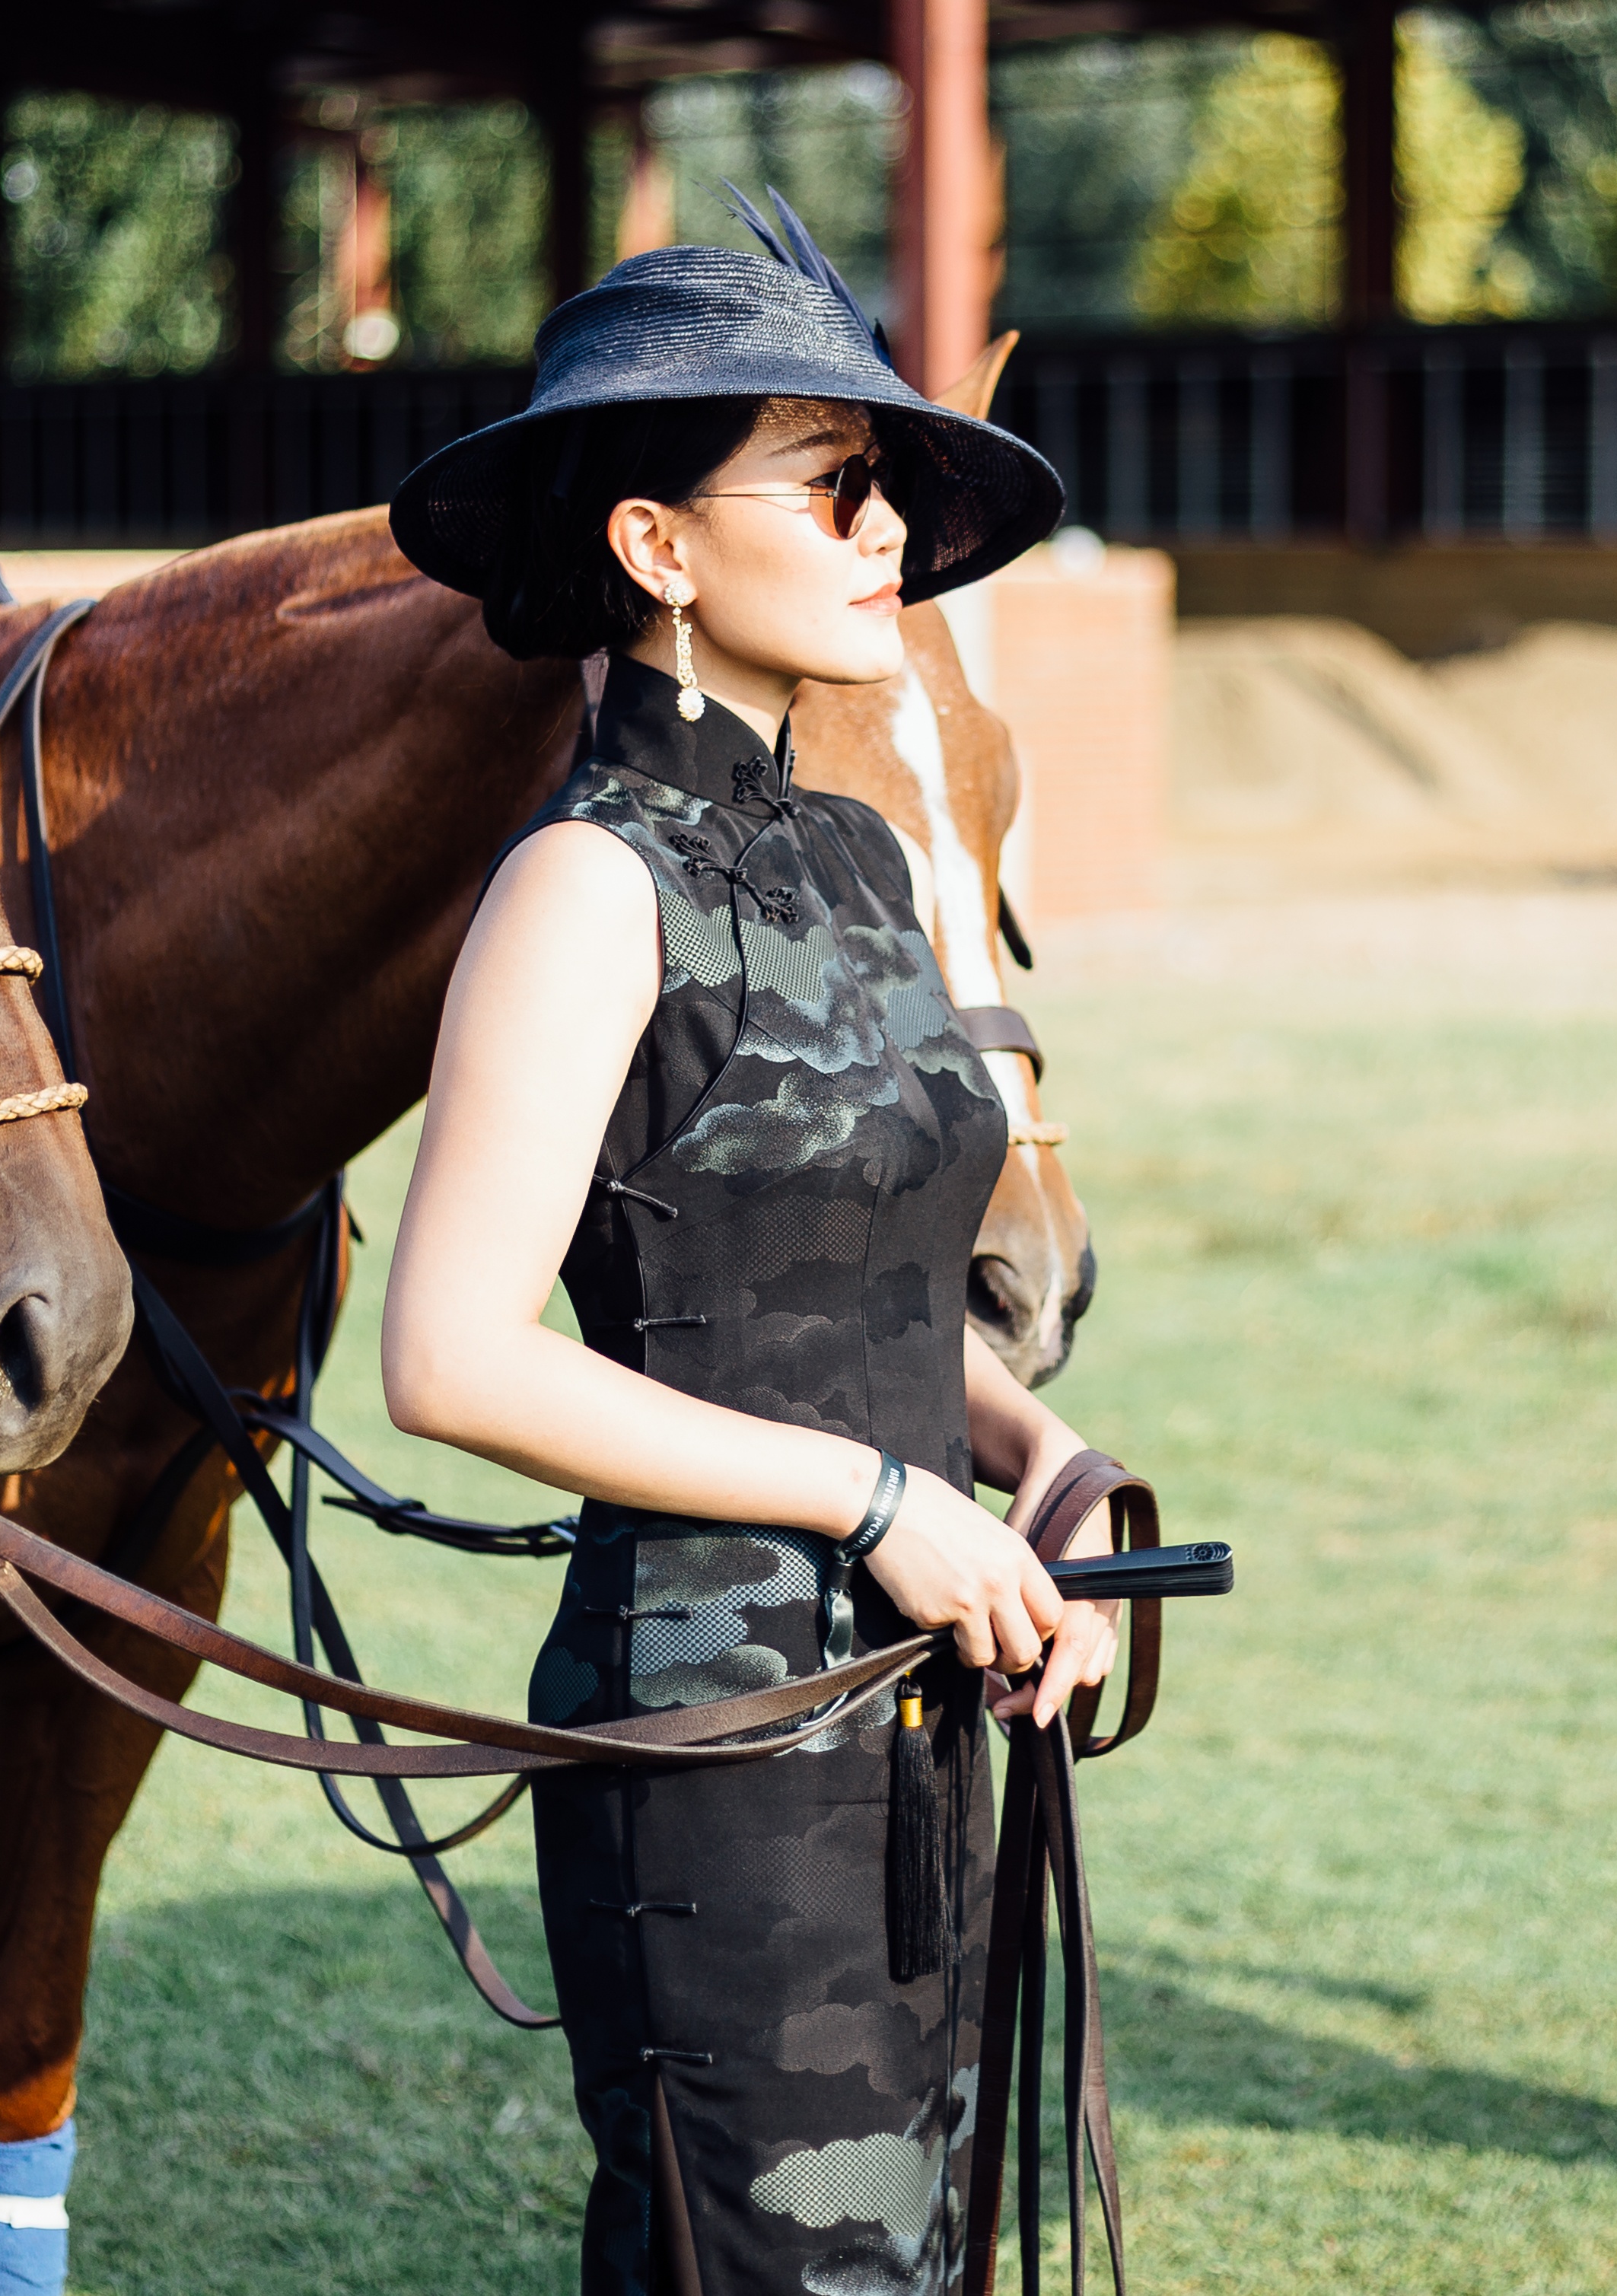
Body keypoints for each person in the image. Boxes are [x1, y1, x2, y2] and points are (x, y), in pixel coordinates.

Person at [380, 198, 1119, 2296]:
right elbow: (450, 1355)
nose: (890, 527)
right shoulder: (583, 891)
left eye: (892, 489)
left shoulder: (867, 866)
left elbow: (868, 1283)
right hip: (708, 1759)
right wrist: (885, 1499)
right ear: (659, 548)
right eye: (839, 483)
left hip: (918, 1715)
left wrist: (1026, 1456)